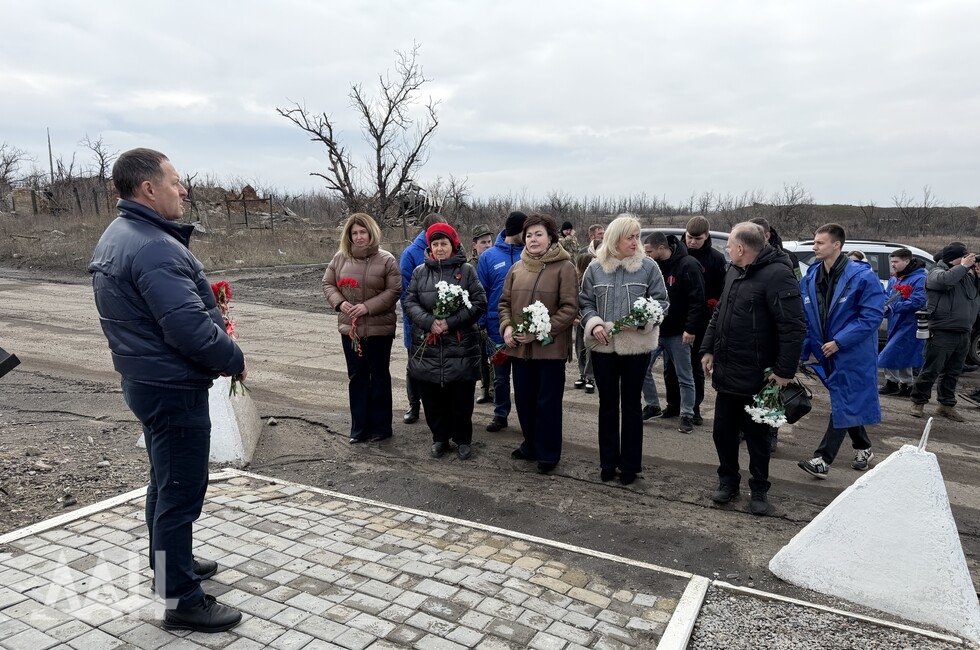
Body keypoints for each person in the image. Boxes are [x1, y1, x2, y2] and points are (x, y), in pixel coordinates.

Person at [89, 148, 244, 632]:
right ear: (148, 189)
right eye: (176, 181)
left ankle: (168, 565)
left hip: (148, 382)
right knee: (180, 490)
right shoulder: (153, 245)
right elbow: (188, 329)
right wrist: (234, 359)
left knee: (164, 481)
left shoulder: (123, 234)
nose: (184, 190)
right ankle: (179, 599)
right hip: (172, 388)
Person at [702, 222, 805, 516]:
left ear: (741, 248)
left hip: (762, 378)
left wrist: (784, 372)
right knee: (723, 432)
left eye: (729, 244)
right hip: (728, 372)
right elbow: (720, 312)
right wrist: (708, 348)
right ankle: (728, 481)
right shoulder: (734, 271)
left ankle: (759, 488)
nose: (726, 249)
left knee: (759, 438)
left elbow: (793, 327)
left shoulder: (778, 275)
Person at [580, 214, 669, 485]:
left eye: (637, 236)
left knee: (631, 405)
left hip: (635, 349)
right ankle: (607, 464)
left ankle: (630, 466)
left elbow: (662, 302)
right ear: (615, 239)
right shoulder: (595, 268)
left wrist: (642, 322)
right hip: (603, 348)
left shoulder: (648, 267)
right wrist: (594, 324)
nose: (636, 242)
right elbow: (585, 302)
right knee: (607, 405)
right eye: (630, 237)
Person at [798, 223, 885, 480]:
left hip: (852, 352)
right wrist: (801, 352)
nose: (815, 247)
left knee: (843, 400)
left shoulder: (862, 277)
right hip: (826, 351)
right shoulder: (812, 276)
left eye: (820, 243)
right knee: (847, 399)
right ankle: (863, 447)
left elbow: (871, 316)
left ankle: (823, 460)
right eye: (814, 242)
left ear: (837, 245)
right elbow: (807, 318)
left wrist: (840, 341)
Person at [498, 213, 578, 473]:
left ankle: (548, 453)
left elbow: (569, 308)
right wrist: (507, 326)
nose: (533, 240)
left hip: (549, 350)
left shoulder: (564, 267)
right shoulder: (517, 268)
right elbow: (504, 304)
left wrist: (542, 331)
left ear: (551, 237)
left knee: (547, 403)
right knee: (524, 399)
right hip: (520, 349)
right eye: (529, 235)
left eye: (538, 234)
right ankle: (530, 444)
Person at [404, 223, 487, 459]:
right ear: (429, 247)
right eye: (435, 244)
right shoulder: (420, 272)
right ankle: (439, 438)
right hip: (428, 346)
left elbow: (480, 302)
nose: (439, 249)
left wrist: (450, 323)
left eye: (444, 244)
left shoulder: (467, 271)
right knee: (432, 398)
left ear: (453, 245)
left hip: (459, 346)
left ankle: (463, 439)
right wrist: (430, 322)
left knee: (460, 398)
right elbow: (410, 302)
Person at [323, 213, 401, 443]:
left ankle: (381, 427)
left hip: (379, 329)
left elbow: (394, 290)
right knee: (357, 377)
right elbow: (328, 283)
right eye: (354, 233)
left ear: (371, 233)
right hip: (351, 329)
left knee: (378, 376)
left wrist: (367, 307)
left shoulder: (386, 260)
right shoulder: (340, 259)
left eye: (363, 232)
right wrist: (340, 302)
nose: (359, 237)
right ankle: (359, 428)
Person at [664, 215, 726, 425]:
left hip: (701, 321)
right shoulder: (676, 255)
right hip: (675, 320)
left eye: (697, 239)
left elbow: (722, 288)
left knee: (695, 367)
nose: (692, 242)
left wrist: (713, 302)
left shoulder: (715, 259)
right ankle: (673, 404)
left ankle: (694, 407)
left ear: (706, 236)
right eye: (689, 237)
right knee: (670, 367)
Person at [642, 231, 707, 433]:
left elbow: (698, 300)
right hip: (655, 331)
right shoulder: (652, 266)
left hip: (679, 333)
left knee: (684, 375)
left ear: (662, 248)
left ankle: (687, 414)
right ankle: (653, 404)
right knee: (642, 368)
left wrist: (690, 328)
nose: (647, 255)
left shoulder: (687, 265)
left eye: (649, 251)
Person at [909, 243, 980, 421]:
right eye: (963, 256)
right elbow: (945, 281)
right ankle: (918, 402)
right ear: (954, 258)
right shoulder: (936, 272)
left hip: (963, 331)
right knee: (931, 369)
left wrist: (978, 276)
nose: (968, 259)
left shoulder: (965, 276)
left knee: (953, 371)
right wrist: (963, 267)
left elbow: (975, 295)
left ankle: (946, 405)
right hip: (942, 330)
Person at [478, 211, 527, 432]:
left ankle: (527, 415)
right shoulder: (489, 257)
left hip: (524, 326)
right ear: (515, 231)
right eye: (524, 231)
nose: (529, 236)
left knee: (524, 377)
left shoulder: (529, 254)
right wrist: (481, 323)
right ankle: (500, 414)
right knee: (500, 377)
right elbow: (481, 293)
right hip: (495, 326)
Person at [399, 213, 448, 424]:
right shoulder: (411, 254)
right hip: (418, 323)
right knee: (415, 364)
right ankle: (413, 404)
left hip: (445, 323)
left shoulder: (449, 248)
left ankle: (440, 407)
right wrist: (424, 319)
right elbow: (405, 293)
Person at [878, 248, 927, 397]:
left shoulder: (920, 278)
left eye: (896, 262)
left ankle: (895, 382)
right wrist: (885, 308)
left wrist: (893, 307)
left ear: (907, 261)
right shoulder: (895, 278)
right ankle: (904, 383)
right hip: (895, 321)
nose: (893, 264)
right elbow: (888, 295)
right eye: (892, 261)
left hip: (909, 322)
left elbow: (918, 301)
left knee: (893, 352)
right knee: (900, 352)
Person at [469, 223, 495, 404]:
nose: (487, 245)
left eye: (489, 241)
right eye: (483, 242)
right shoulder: (469, 266)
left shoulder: (494, 261)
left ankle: (494, 389)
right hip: (475, 318)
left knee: (494, 355)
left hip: (492, 316)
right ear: (474, 245)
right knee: (480, 356)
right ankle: (484, 388)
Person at [572, 253, 596, 394]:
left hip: (590, 319)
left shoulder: (591, 280)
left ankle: (590, 377)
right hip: (578, 320)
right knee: (579, 347)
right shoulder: (575, 280)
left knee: (590, 349)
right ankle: (582, 373)